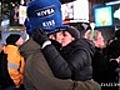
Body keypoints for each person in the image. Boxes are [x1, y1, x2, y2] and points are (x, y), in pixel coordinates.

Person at [19, 0, 101, 90]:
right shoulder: (38, 59)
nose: (61, 38)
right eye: (59, 33)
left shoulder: (49, 52)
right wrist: (93, 86)